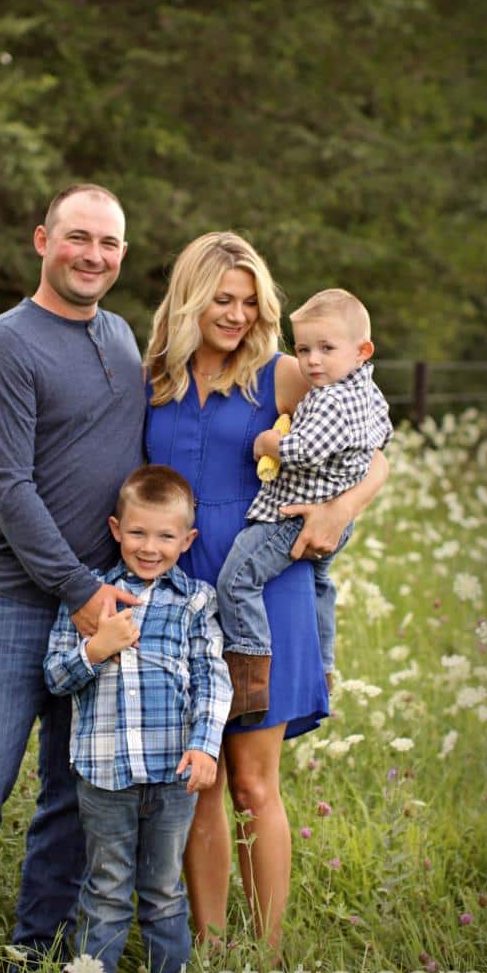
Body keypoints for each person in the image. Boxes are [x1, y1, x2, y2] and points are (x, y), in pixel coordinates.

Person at [0, 184, 146, 973]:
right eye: (78, 237)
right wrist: (81, 591)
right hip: (12, 603)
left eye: (109, 243)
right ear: (42, 239)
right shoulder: (3, 344)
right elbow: (9, 487)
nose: (93, 255)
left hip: (96, 606)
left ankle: (38, 949)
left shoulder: (120, 337)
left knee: (71, 797)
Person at [144, 233, 388, 953]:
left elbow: (374, 451)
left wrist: (339, 511)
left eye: (250, 302)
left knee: (255, 783)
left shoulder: (283, 374)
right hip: (184, 589)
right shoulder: (153, 374)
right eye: (223, 298)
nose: (237, 313)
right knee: (202, 781)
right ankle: (212, 948)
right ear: (191, 296)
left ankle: (269, 951)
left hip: (262, 588)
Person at [44, 465, 232, 973]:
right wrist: (96, 649)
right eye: (138, 533)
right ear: (115, 530)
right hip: (104, 778)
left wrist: (205, 747)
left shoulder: (195, 601)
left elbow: (212, 680)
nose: (150, 547)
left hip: (173, 775)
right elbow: (55, 677)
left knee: (164, 890)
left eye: (166, 536)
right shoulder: (91, 600)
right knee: (105, 888)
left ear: (187, 539)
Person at [217, 288, 393, 711]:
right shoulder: (367, 391)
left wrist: (269, 442)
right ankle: (324, 667)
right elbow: (383, 435)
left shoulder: (331, 399)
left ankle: (249, 675)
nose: (312, 360)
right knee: (319, 585)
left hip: (293, 517)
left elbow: (303, 451)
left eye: (326, 348)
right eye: (303, 348)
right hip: (334, 516)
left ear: (362, 350)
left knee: (238, 580)